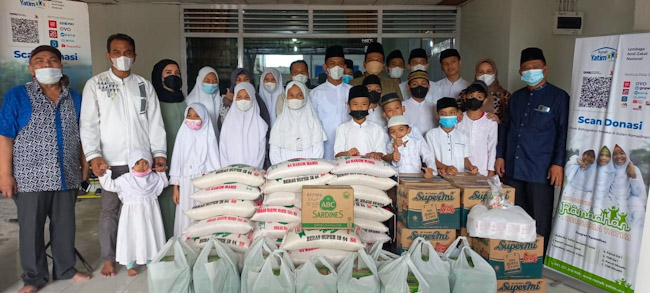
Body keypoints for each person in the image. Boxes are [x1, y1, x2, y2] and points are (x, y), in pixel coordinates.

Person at [0, 45, 91, 293]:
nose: (46, 65)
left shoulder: (75, 97)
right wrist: (5, 175)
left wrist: (84, 165)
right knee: (31, 230)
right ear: (31, 69)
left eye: (52, 60)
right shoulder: (17, 96)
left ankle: (65, 269)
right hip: (30, 177)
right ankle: (34, 278)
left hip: (67, 174)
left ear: (60, 66)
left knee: (65, 226)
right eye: (39, 61)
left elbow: (84, 135)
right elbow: (5, 137)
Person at [80, 33, 167, 277]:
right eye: (116, 53)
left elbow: (155, 123)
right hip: (111, 161)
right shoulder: (96, 84)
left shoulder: (143, 86)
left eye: (127, 52)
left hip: (141, 163)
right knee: (110, 211)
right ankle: (109, 258)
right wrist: (94, 155)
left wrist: (159, 154)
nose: (122, 57)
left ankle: (143, 253)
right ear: (108, 56)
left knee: (143, 210)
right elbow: (88, 124)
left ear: (134, 55)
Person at [495, 47, 569, 252]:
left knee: (539, 217)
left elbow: (563, 133)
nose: (530, 71)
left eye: (535, 67)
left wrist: (558, 164)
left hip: (540, 169)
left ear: (545, 69)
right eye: (526, 68)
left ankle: (537, 259)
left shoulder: (559, 97)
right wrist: (500, 157)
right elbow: (506, 128)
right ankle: (515, 255)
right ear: (520, 72)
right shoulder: (516, 98)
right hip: (513, 167)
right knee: (514, 214)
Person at [98, 149, 167, 277]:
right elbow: (110, 185)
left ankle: (149, 259)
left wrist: (161, 172)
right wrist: (105, 172)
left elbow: (164, 183)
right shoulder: (125, 180)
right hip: (131, 216)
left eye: (145, 163)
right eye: (137, 163)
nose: (141, 167)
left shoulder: (153, 178)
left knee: (148, 235)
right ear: (131, 165)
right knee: (131, 236)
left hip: (149, 214)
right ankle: (130, 264)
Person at [170, 103, 220, 235]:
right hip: (186, 183)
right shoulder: (182, 136)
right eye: (189, 115)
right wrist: (176, 187)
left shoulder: (209, 138)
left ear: (204, 118)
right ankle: (185, 242)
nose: (192, 119)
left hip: (203, 184)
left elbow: (214, 163)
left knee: (202, 214)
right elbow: (177, 162)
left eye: (196, 116)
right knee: (185, 213)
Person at [150, 59, 185, 240]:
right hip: (162, 158)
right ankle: (163, 240)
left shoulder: (184, 101)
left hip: (183, 160)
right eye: (168, 73)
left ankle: (179, 238)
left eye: (177, 73)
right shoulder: (153, 103)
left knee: (180, 199)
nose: (174, 76)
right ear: (159, 76)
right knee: (163, 200)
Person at [310, 45, 352, 160]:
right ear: (325, 67)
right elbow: (312, 123)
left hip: (349, 144)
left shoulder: (351, 91)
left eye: (340, 63)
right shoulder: (316, 93)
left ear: (344, 67)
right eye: (332, 63)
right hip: (325, 144)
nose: (337, 67)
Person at [269, 81, 326, 164]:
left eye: (299, 95)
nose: (295, 98)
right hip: (284, 171)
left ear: (305, 97)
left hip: (309, 171)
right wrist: (282, 170)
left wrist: (310, 168)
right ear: (286, 97)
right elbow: (274, 151)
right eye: (291, 95)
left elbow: (318, 149)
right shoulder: (279, 122)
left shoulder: (313, 121)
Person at [219, 82, 268, 168]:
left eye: (247, 97)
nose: (243, 100)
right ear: (234, 98)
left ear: (252, 98)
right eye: (239, 97)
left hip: (253, 173)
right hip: (230, 172)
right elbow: (223, 149)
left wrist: (253, 171)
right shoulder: (228, 122)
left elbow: (261, 153)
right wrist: (227, 169)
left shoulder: (260, 125)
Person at [425, 97, 478, 175]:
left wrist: (471, 167)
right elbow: (430, 159)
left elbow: (465, 159)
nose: (447, 116)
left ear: (457, 114)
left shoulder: (463, 136)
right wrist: (445, 167)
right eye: (443, 114)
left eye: (451, 113)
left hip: (459, 177)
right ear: (438, 116)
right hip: (440, 177)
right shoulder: (431, 135)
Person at [456, 81, 498, 177]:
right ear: (465, 97)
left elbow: (492, 147)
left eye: (479, 97)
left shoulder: (490, 121)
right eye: (471, 96)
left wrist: (491, 170)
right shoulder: (459, 119)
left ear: (485, 100)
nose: (474, 99)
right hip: (460, 169)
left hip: (483, 170)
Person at [334, 85, 386, 160]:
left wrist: (375, 154)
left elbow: (381, 152)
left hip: (371, 169)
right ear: (348, 106)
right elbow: (337, 154)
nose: (359, 107)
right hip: (349, 169)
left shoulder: (376, 128)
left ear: (369, 106)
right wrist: (347, 153)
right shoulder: (342, 128)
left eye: (364, 104)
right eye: (355, 104)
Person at [185, 66, 221, 139]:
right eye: (207, 81)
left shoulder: (220, 100)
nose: (211, 84)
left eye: (215, 81)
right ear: (199, 81)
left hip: (215, 139)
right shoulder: (190, 100)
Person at [402, 70, 437, 136]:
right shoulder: (401, 107)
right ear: (409, 88)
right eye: (415, 84)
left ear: (428, 87)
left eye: (423, 84)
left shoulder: (435, 107)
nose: (419, 86)